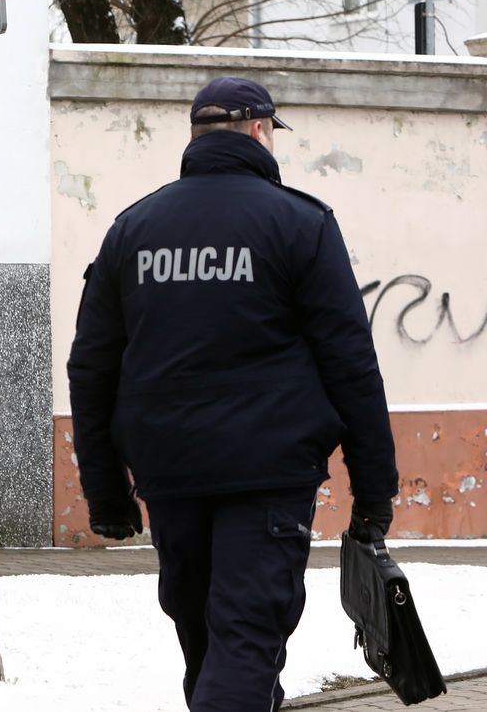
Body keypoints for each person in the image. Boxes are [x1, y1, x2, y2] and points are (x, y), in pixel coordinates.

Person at [67, 76, 399, 712]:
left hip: (170, 474)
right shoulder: (301, 223)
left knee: (207, 647)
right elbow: (352, 366)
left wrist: (107, 490)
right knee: (244, 642)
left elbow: (92, 366)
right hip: (269, 475)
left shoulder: (133, 229)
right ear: (258, 131)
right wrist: (374, 492)